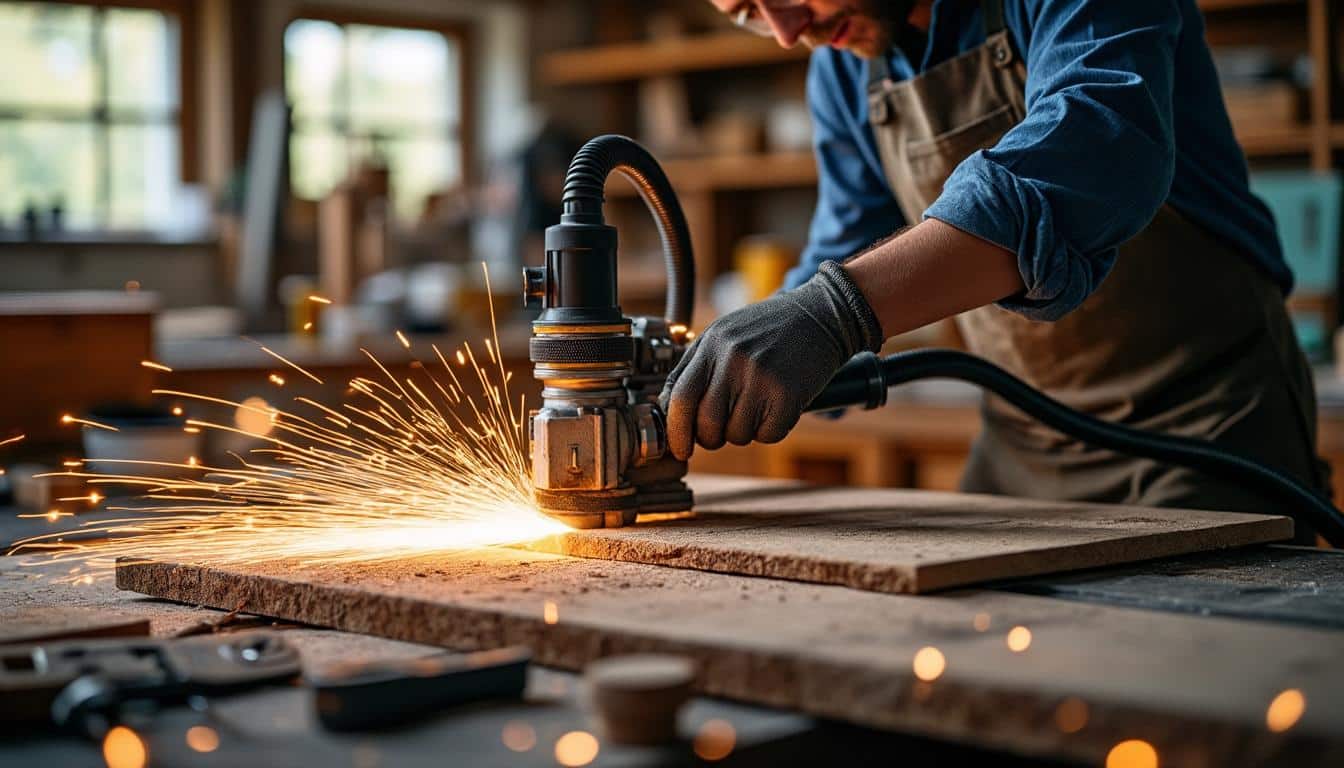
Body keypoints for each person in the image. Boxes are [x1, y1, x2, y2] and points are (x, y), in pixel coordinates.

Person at [664, 0, 1331, 532]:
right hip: (1024, 448)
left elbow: (1092, 145)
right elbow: (843, 250)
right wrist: (713, 365)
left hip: (1205, 425)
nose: (785, 31)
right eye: (748, 13)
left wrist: (834, 313)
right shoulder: (845, 71)